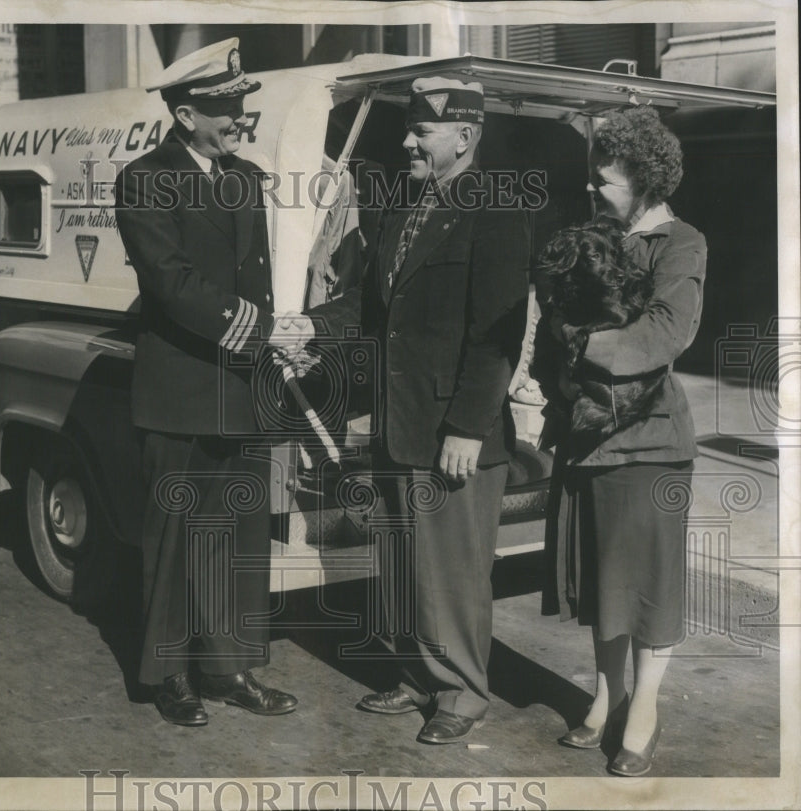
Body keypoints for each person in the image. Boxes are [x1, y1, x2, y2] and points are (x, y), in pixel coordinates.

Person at [304, 77, 530, 744]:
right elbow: (373, 312)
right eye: (408, 129)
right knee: (403, 559)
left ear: (465, 137)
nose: (406, 140)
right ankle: (417, 672)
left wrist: (467, 425)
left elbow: (498, 332)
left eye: (421, 131)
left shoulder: (496, 207)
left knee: (453, 569)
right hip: (399, 420)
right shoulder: (408, 206)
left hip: (454, 431)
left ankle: (461, 688)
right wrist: (308, 328)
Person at [113, 38, 307, 727]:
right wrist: (260, 330)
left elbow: (254, 276)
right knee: (174, 544)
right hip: (181, 391)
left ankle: (230, 669)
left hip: (241, 387)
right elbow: (171, 284)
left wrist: (284, 338)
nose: (238, 121)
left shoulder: (247, 177)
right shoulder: (145, 178)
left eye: (240, 107)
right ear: (188, 114)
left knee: (238, 538)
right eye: (226, 110)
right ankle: (170, 678)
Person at [533, 105, 706, 776]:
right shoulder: (593, 234)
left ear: (643, 177)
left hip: (648, 440)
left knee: (647, 586)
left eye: (604, 179)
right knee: (603, 579)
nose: (592, 188)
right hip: (586, 433)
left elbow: (666, 332)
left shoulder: (681, 242)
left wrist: (578, 342)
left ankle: (645, 711)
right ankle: (606, 695)